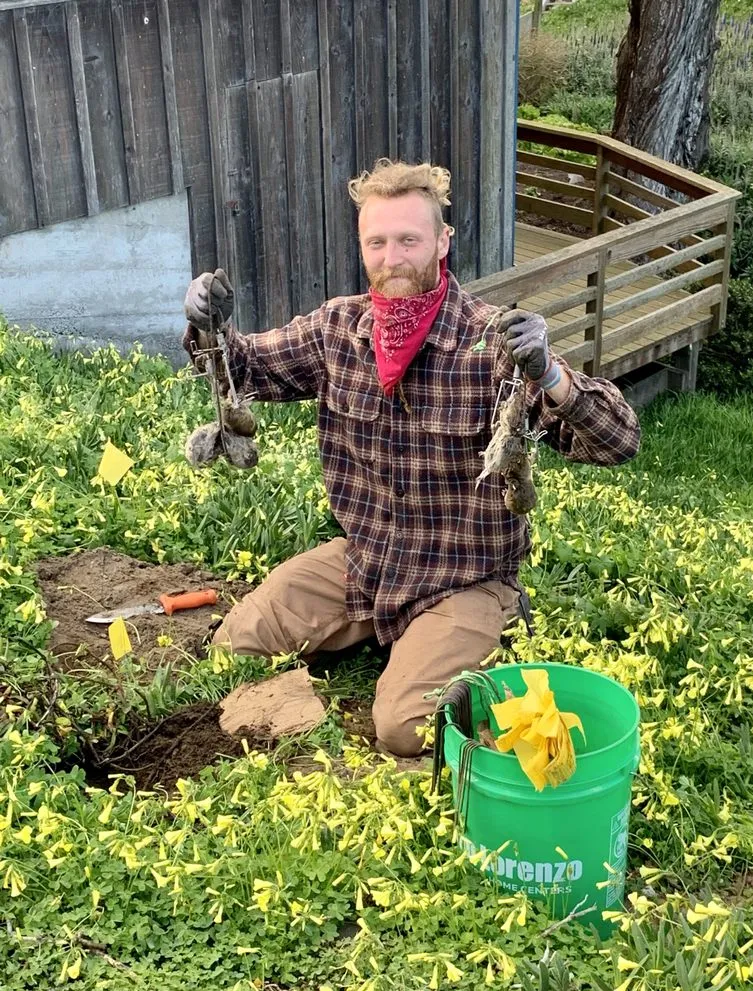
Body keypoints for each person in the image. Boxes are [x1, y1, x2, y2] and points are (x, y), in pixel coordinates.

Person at [183, 159, 640, 757]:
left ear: (443, 241)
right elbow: (245, 365)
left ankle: (474, 635)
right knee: (235, 642)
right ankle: (385, 635)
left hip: (463, 578)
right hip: (367, 562)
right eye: (377, 241)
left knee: (403, 728)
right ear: (362, 245)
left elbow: (618, 440)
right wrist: (209, 325)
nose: (392, 256)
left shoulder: (491, 343)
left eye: (408, 239)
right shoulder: (336, 329)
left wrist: (550, 374)